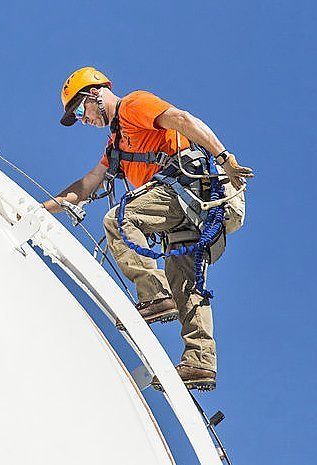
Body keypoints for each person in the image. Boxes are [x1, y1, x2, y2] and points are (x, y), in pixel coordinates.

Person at [42, 67, 253, 390]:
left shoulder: (133, 106)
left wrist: (224, 158)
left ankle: (155, 296)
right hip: (185, 210)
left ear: (94, 94)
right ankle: (200, 362)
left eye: (79, 110)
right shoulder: (116, 147)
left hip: (187, 189)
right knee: (185, 283)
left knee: (119, 220)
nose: (83, 120)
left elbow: (183, 120)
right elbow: (86, 186)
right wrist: (41, 210)